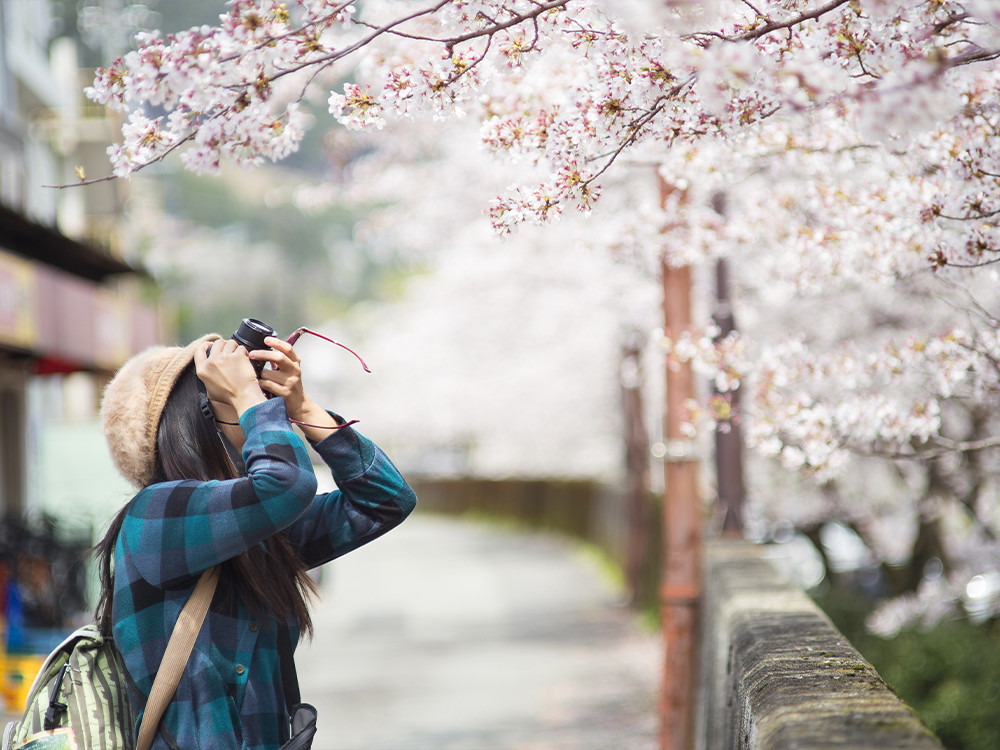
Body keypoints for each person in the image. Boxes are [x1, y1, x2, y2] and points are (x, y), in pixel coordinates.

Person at [95, 332, 417, 750]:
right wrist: (251, 395)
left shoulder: (258, 534)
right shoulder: (156, 514)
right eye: (235, 399)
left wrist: (303, 407)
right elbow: (286, 484)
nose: (262, 414)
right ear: (194, 422)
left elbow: (387, 500)